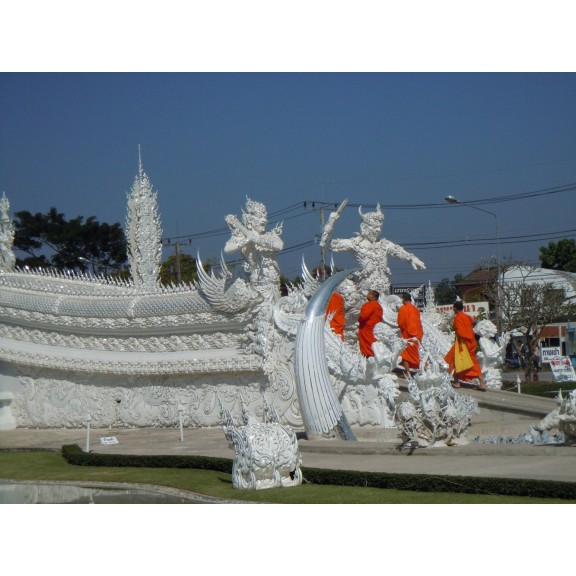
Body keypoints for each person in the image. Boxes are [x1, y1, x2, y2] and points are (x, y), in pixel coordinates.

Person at [444, 300, 486, 391]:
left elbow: (459, 331)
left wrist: (459, 338)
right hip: (471, 342)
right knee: (472, 362)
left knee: (456, 360)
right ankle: (481, 382)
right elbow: (471, 325)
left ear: (455, 308)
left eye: (453, 308)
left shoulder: (457, 318)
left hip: (463, 343)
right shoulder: (468, 317)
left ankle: (457, 382)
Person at [396, 292, 424, 375]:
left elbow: (400, 323)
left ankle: (408, 371)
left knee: (405, 353)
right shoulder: (416, 309)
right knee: (417, 353)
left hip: (407, 334)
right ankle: (423, 369)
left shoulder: (403, 309)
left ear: (403, 299)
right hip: (417, 334)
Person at [358, 289, 383, 357]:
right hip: (374, 329)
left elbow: (363, 316)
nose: (367, 294)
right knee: (373, 345)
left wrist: (359, 319)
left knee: (367, 347)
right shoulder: (379, 306)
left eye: (369, 293)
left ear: (372, 296)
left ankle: (368, 360)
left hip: (366, 329)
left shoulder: (370, 305)